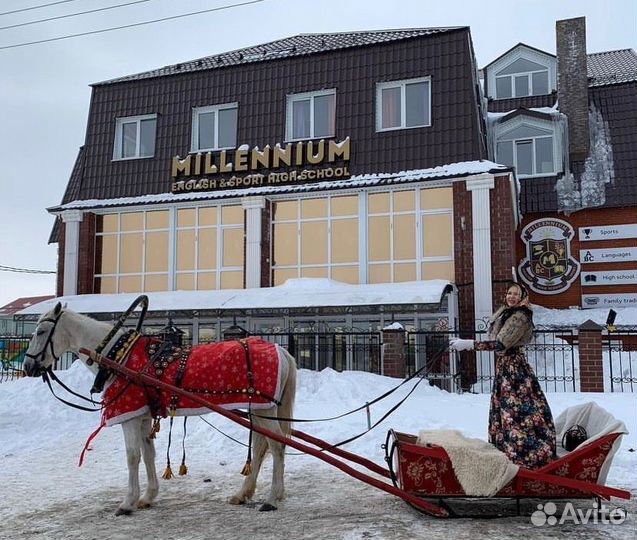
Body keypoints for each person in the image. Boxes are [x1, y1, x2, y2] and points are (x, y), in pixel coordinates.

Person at [449, 283, 556, 469]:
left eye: (516, 294)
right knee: (506, 412)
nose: (511, 296)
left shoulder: (520, 316)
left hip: (514, 371)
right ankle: (507, 451)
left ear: (523, 297)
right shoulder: (507, 313)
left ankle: (525, 456)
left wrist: (468, 344)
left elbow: (500, 344)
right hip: (506, 368)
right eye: (509, 293)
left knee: (516, 413)